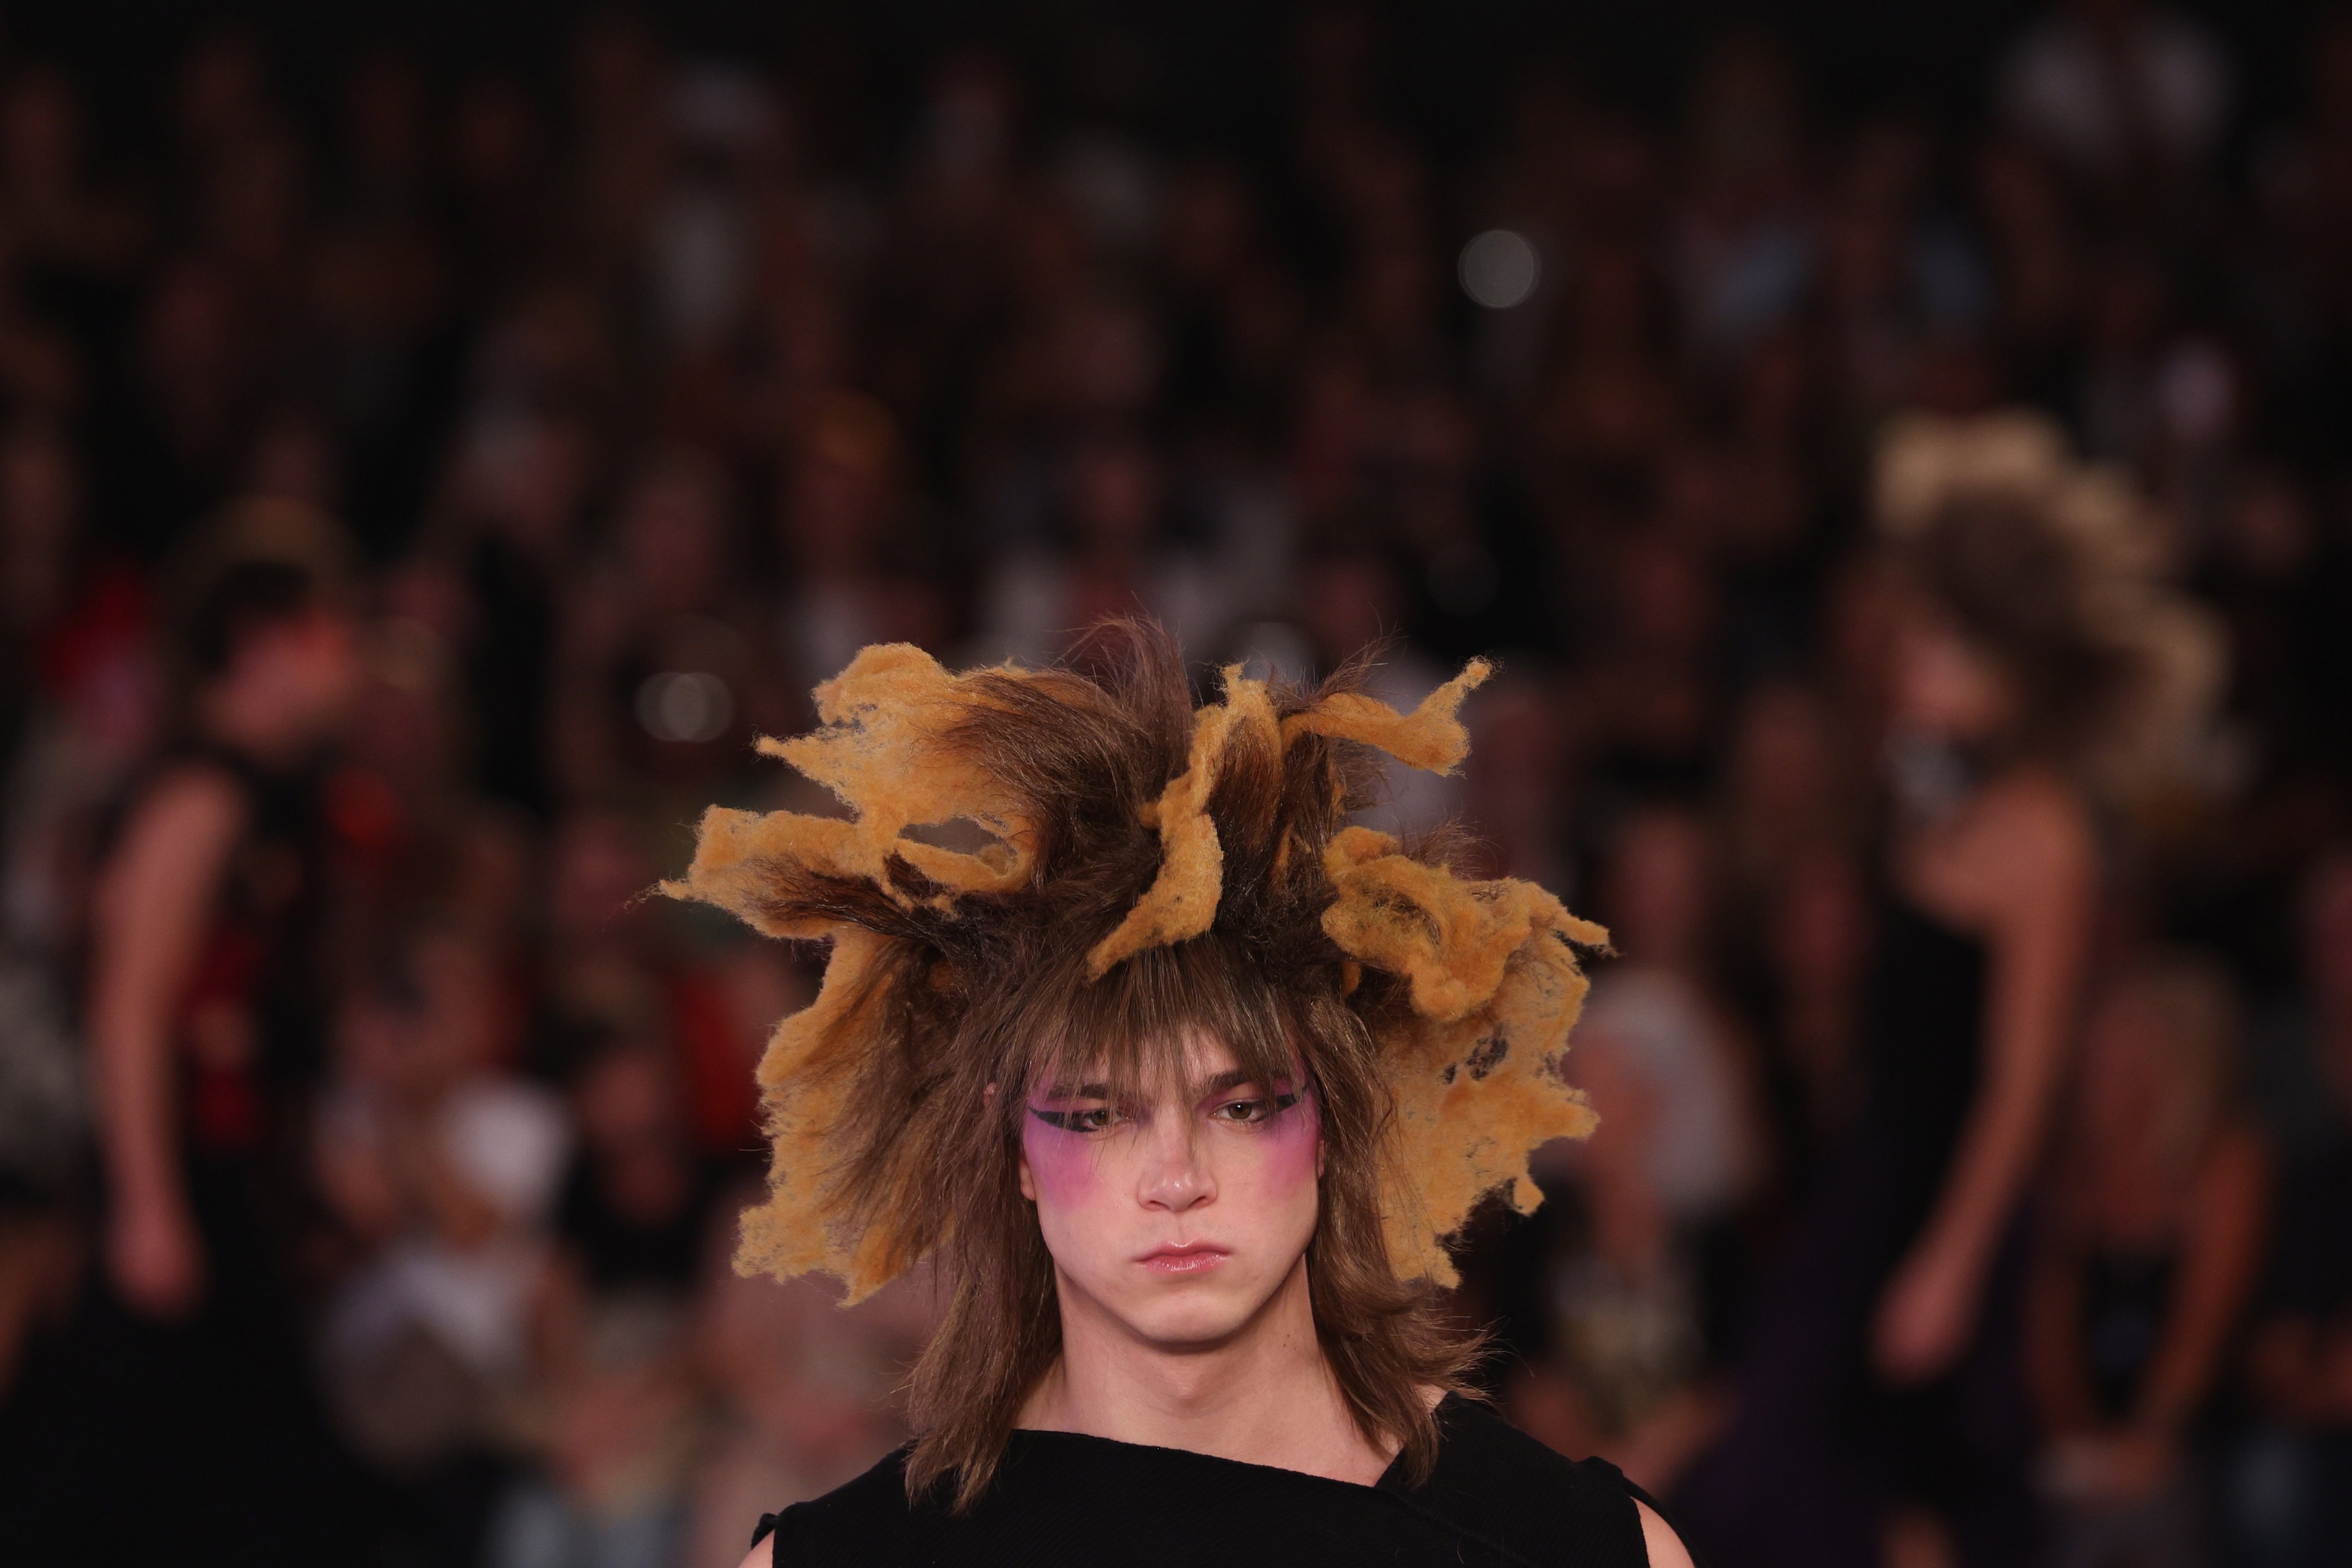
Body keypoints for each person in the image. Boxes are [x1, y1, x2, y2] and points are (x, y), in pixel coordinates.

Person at [662, 623, 1696, 1566]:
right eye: (1099, 1116)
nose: (1177, 1178)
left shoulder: (1579, 1550)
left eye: (1241, 1107)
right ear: (1014, 1147)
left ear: (1333, 1121)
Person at [1681, 412, 2219, 1567]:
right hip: (1872, 1187)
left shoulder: (2042, 833)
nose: (1905, 654)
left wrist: (1954, 1261)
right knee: (1801, 1487)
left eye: (1937, 640)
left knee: (1897, 1499)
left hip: (1941, 1206)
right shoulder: (1932, 802)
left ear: (2009, 669)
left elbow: (2022, 1081)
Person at [63, 501, 367, 1565]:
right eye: (334, 633)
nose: (352, 662)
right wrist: (147, 1206)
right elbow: (129, 1005)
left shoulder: (273, 803)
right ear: (261, 643)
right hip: (182, 1176)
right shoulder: (199, 798)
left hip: (231, 1182)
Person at [2025, 953, 2268, 1568]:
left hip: (2200, 1428)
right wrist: (2081, 1443)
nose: (2103, 1076)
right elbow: (2048, 1337)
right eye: (2097, 1057)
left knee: (2167, 1514)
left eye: (2125, 1060)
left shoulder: (2223, 1164)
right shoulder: (2069, 1175)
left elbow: (2202, 1330)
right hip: (2091, 1436)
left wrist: (2149, 1441)